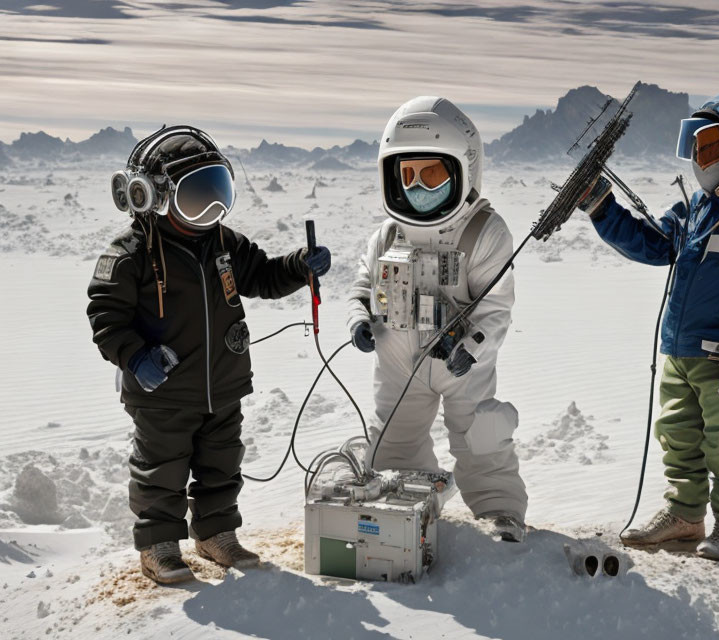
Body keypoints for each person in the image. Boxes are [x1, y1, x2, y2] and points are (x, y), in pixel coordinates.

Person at [87, 126, 331, 583]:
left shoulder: (225, 243)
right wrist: (135, 356)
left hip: (222, 383)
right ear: (155, 196)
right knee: (161, 468)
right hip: (162, 392)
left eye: (218, 193)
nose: (211, 210)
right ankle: (159, 545)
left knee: (222, 463)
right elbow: (106, 317)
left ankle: (216, 535)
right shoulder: (132, 254)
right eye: (197, 197)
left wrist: (299, 266)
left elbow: (263, 276)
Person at [578, 90, 719, 559]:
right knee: (678, 436)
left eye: (710, 149)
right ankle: (684, 515)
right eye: (696, 148)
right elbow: (653, 244)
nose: (700, 161)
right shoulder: (696, 210)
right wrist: (602, 207)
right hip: (680, 353)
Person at [346, 97, 529, 542]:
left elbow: (495, 308)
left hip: (459, 364)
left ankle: (501, 511)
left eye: (430, 174)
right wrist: (359, 321)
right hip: (397, 360)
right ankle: (409, 507)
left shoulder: (484, 232)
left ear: (462, 171)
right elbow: (363, 287)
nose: (417, 186)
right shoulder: (387, 236)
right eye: (407, 174)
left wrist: (472, 348)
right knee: (392, 446)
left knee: (480, 436)